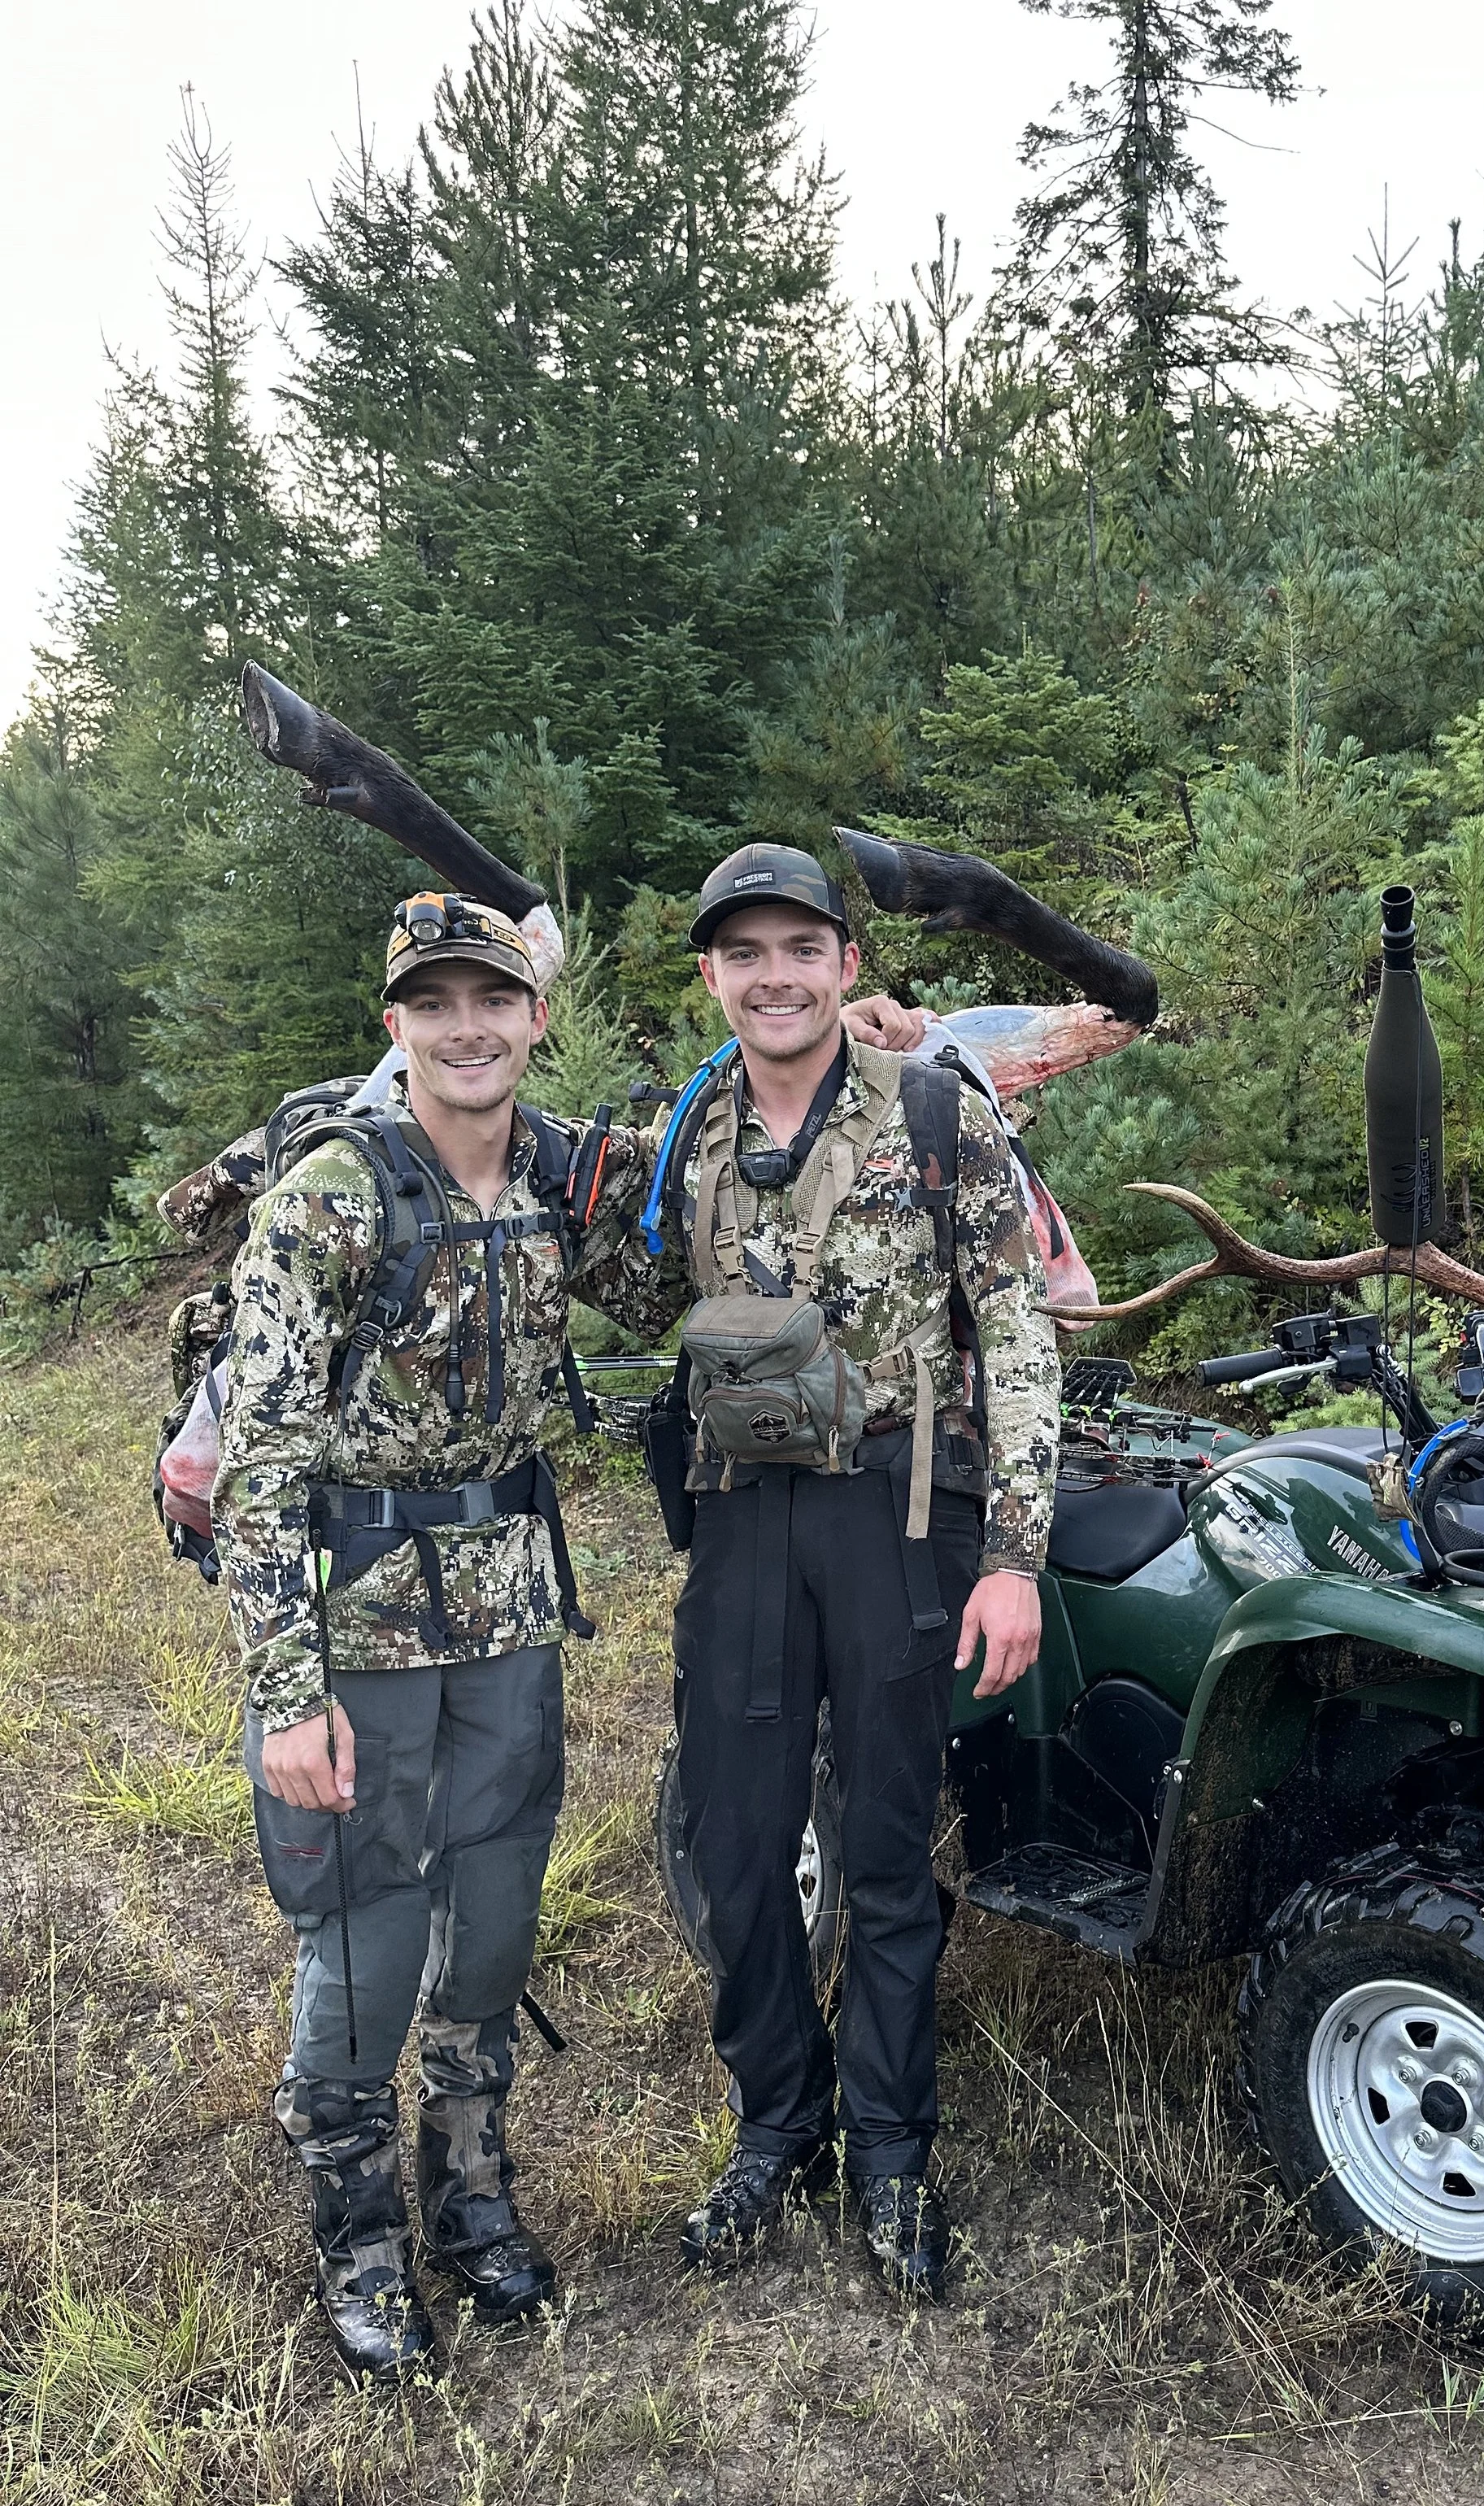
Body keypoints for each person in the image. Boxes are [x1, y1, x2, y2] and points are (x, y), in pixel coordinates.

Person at [214, 894, 676, 2380]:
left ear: (536, 1015)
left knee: (496, 1905)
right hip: (355, 1624)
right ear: (396, 1024)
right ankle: (357, 2236)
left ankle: (471, 2193)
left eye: (494, 997)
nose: (468, 1027)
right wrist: (288, 1695)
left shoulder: (558, 1176)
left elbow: (671, 1263)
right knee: (364, 1927)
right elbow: (261, 1465)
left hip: (510, 1613)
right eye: (436, 1003)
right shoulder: (330, 1200)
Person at [657, 843, 1060, 2299]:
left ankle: (889, 2149)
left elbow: (1015, 1333)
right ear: (714, 977)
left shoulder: (940, 1111)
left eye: (800, 948)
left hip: (896, 1509)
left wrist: (1012, 1555)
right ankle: (779, 2128)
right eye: (744, 953)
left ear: (844, 963)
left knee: (887, 1856)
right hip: (738, 1513)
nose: (775, 977)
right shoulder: (686, 1133)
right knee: (736, 1847)